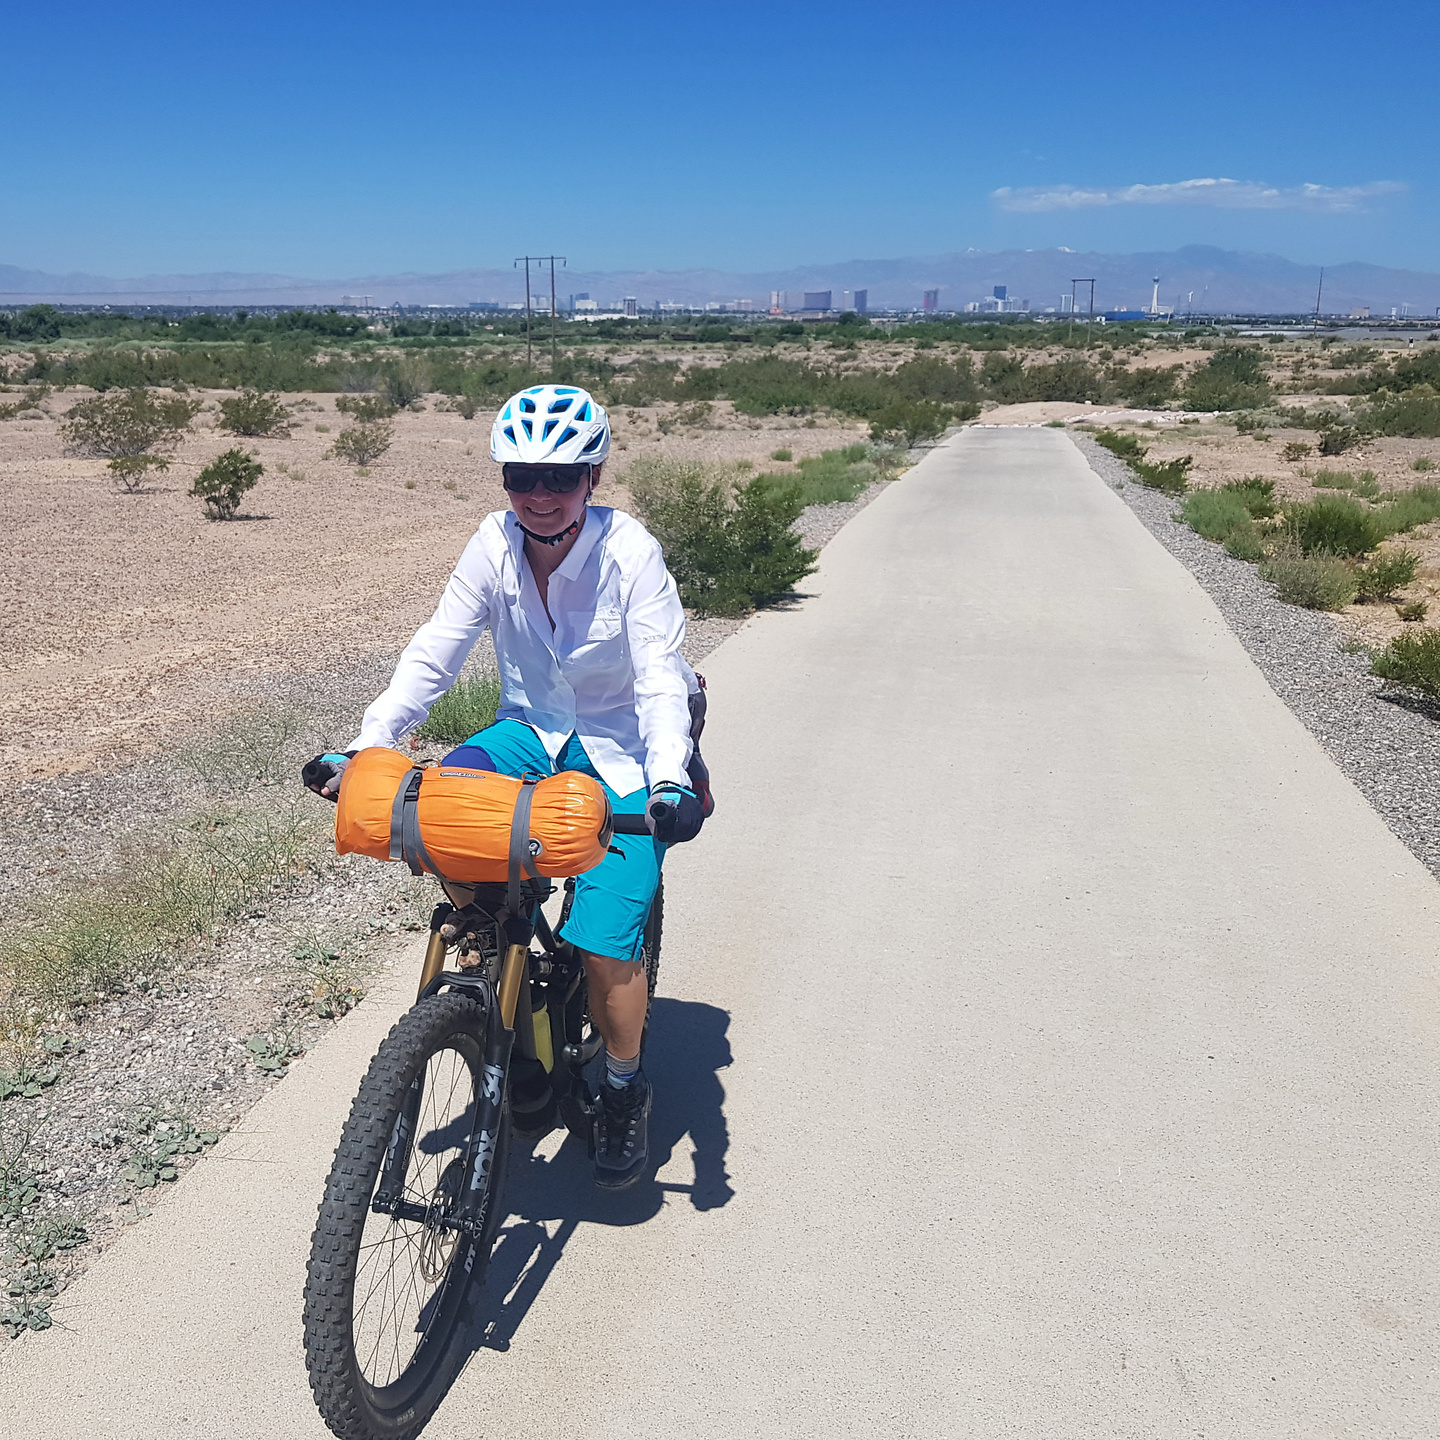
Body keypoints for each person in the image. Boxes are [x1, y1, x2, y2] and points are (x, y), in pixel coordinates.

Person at [303, 385, 705, 1189]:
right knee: (430, 808)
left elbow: (661, 675)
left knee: (603, 948)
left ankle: (622, 1089)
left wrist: (667, 779)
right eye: (522, 476)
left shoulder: (631, 553)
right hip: (528, 730)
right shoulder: (492, 544)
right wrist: (365, 747)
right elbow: (435, 651)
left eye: (560, 477)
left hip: (620, 747)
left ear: (592, 477)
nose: (540, 494)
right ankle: (495, 945)